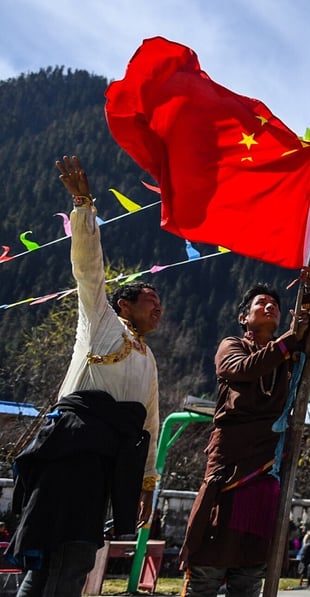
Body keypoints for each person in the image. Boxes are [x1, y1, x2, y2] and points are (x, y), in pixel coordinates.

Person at [10, 156, 162, 597]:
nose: (158, 308)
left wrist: (145, 484)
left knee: (75, 559)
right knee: (57, 555)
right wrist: (83, 204)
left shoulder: (148, 359)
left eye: (160, 304)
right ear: (123, 305)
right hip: (70, 452)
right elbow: (89, 268)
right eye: (149, 298)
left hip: (108, 464)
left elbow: (149, 424)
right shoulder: (100, 322)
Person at [180, 284, 310, 597]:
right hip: (230, 466)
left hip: (265, 466)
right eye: (262, 303)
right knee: (209, 564)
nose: (270, 307)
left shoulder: (288, 357)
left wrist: (304, 319)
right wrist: (288, 339)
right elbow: (240, 370)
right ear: (243, 317)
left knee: (249, 574)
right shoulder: (231, 345)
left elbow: (303, 343)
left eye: (275, 306)